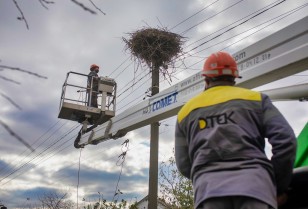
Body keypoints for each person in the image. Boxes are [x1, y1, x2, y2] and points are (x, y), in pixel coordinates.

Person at [175, 51, 297, 209]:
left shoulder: (185, 112)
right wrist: (276, 186)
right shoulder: (257, 100)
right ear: (234, 78)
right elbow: (286, 141)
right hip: (256, 189)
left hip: (209, 194)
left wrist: (206, 177)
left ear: (206, 79)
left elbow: (184, 164)